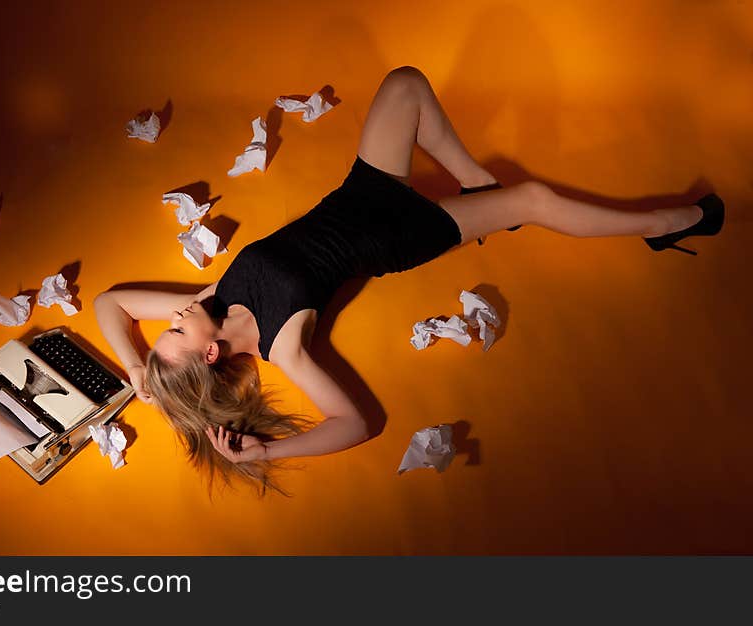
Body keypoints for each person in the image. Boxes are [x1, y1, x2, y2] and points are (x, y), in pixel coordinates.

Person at [94, 66, 724, 495]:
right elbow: (357, 424)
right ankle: (675, 221)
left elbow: (109, 302)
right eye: (171, 332)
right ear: (208, 351)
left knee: (405, 84)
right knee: (532, 199)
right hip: (398, 236)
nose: (168, 318)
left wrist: (135, 367)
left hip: (359, 194)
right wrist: (264, 453)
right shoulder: (282, 347)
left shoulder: (208, 301)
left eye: (164, 327)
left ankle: (478, 184)